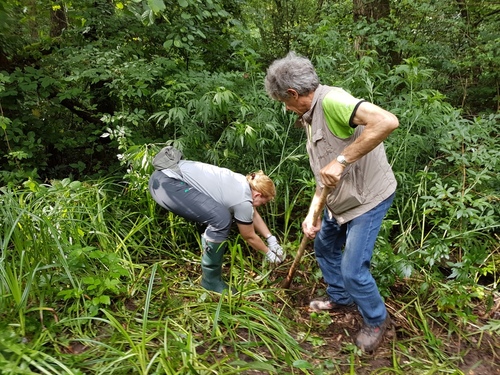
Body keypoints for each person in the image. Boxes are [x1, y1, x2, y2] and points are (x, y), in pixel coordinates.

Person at [265, 52, 399, 352]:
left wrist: (342, 160)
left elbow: (388, 121)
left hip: (367, 199)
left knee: (354, 270)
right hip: (339, 200)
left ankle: (377, 321)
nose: (286, 109)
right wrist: (313, 213)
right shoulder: (310, 116)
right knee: (323, 246)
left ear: (293, 93)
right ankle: (340, 296)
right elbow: (323, 174)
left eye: (284, 103)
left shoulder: (333, 101)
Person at [148, 146, 284, 294]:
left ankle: (207, 267)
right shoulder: (243, 200)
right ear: (257, 195)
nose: (261, 206)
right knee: (220, 218)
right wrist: (269, 254)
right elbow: (249, 236)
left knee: (215, 214)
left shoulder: (242, 182)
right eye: (263, 203)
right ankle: (210, 281)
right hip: (168, 185)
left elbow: (253, 213)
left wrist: (271, 240)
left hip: (161, 178)